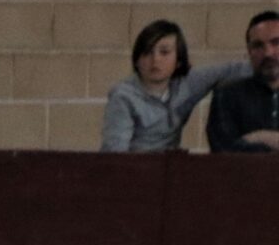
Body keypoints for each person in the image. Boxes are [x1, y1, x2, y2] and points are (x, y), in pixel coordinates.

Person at [100, 21, 248, 153]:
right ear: (137, 61)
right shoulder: (123, 97)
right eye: (147, 52)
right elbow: (114, 154)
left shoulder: (187, 83)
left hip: (170, 169)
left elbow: (232, 69)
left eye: (164, 52)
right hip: (136, 171)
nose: (155, 59)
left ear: (179, 61)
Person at [204, 11, 279, 154]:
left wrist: (259, 137)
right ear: (249, 51)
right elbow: (224, 150)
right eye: (258, 46)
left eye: (276, 42)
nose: (268, 53)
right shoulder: (227, 96)